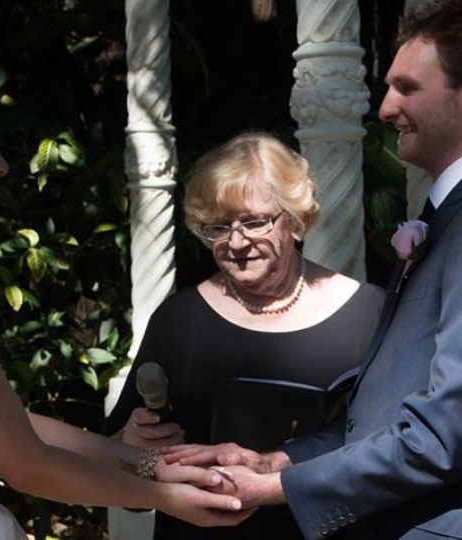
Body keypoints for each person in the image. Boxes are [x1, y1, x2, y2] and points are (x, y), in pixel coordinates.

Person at [163, 1, 462, 538]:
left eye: (408, 88)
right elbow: (378, 419)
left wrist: (277, 488)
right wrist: (277, 463)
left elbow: (445, 434)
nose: (386, 108)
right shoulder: (441, 220)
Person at [0, 60, 252, 539]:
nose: (2, 164)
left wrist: (150, 465)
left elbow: (1, 423)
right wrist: (172, 498)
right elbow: (26, 465)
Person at [103, 132, 385, 539]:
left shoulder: (367, 313)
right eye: (219, 226)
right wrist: (131, 449)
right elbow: (123, 479)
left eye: (254, 222)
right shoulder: (179, 321)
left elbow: (394, 451)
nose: (236, 242)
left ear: (294, 218)